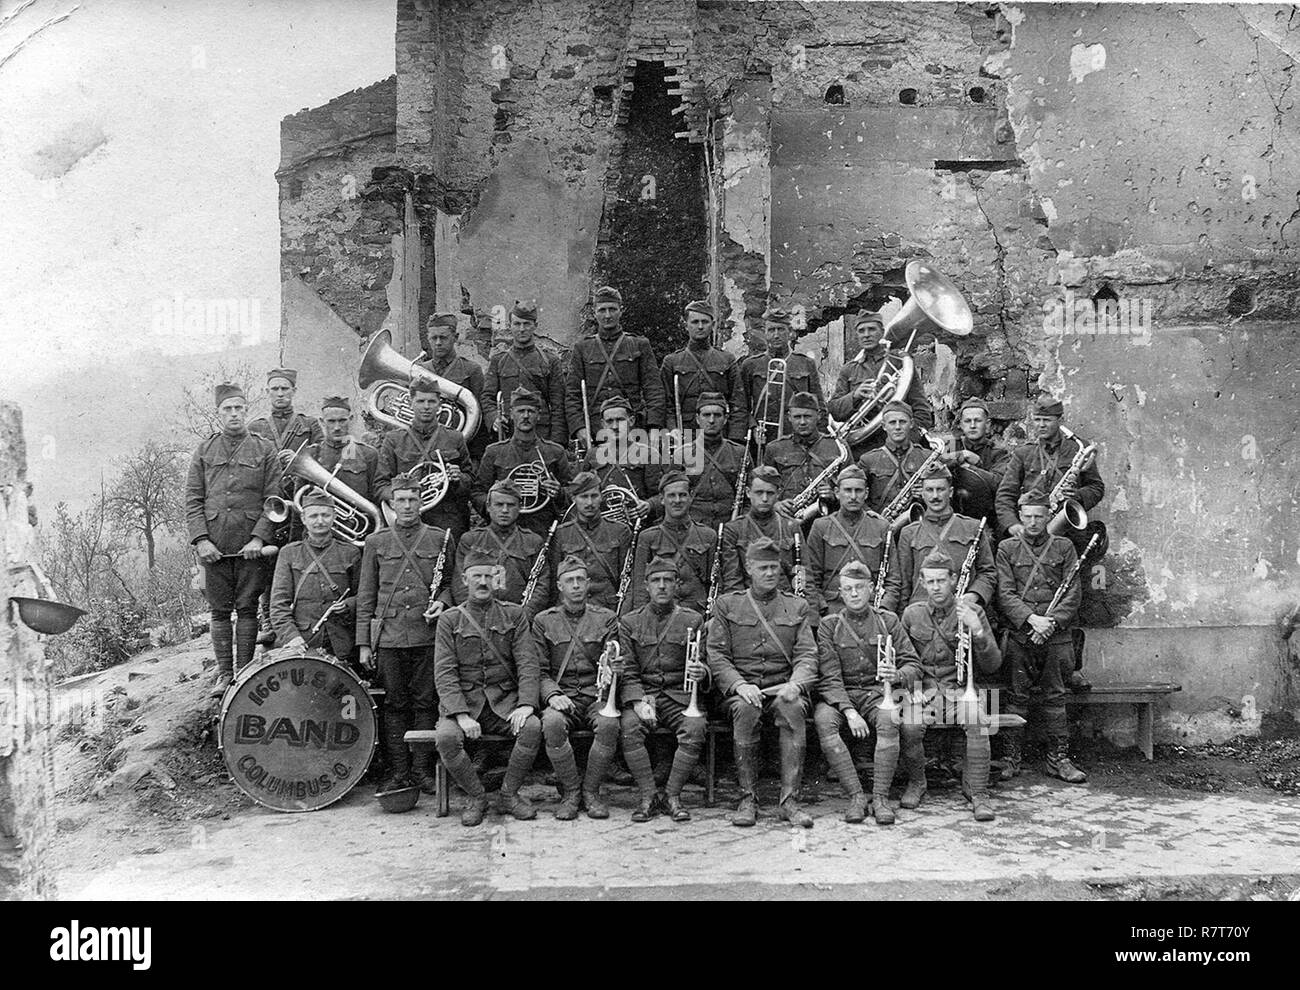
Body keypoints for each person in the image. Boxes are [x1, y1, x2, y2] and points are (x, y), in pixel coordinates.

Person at [705, 537, 819, 828]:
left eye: (774, 567)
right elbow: (717, 655)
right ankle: (748, 798)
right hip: (741, 691)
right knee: (746, 710)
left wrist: (795, 684)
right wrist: (740, 685)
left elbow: (807, 654)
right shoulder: (728, 605)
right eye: (763, 568)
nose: (770, 573)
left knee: (792, 707)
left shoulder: (797, 607)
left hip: (781, 688)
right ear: (749, 568)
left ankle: (789, 800)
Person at [355, 471, 453, 794]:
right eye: (401, 500)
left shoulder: (440, 538)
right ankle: (399, 772)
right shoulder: (376, 542)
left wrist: (442, 601)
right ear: (391, 505)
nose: (408, 506)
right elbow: (367, 595)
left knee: (426, 702)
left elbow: (453, 585)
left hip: (427, 635)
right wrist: (364, 644)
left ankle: (423, 771)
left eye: (413, 499)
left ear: (422, 501)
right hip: (390, 637)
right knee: (395, 704)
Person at [433, 548, 543, 826]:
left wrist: (526, 704)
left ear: (496, 580)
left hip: (504, 703)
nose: (482, 582)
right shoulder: (450, 620)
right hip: (465, 705)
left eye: (488, 576)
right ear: (464, 580)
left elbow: (528, 663)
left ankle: (509, 794)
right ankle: (477, 796)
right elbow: (444, 672)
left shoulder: (514, 615)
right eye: (476, 576)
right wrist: (460, 715)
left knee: (531, 728)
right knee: (446, 738)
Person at [185, 381, 281, 696]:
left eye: (239, 408)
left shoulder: (264, 449)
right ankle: (225, 674)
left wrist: (259, 538)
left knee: (248, 608)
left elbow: (274, 500)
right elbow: (193, 500)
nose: (234, 414)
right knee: (219, 611)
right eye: (228, 409)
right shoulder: (204, 450)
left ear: (246, 410)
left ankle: (245, 673)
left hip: (250, 547)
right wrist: (201, 540)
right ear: (218, 414)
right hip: (215, 546)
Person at [813, 561, 923, 825]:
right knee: (824, 721)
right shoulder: (829, 626)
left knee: (889, 719)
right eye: (848, 589)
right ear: (840, 593)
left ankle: (881, 798)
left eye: (859, 587)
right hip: (842, 697)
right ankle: (856, 797)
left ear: (871, 589)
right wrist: (849, 712)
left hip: (877, 694)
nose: (854, 594)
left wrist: (896, 675)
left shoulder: (888, 621)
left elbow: (914, 665)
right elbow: (829, 677)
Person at [901, 549, 1003, 821]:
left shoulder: (973, 611)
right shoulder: (912, 614)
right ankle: (917, 782)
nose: (936, 587)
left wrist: (977, 630)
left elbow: (993, 663)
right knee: (910, 725)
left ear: (954, 580)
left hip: (960, 692)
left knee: (978, 719)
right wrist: (913, 691)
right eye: (930, 581)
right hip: (924, 693)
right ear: (922, 583)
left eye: (941, 580)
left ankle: (978, 793)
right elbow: (904, 660)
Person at [995, 489, 1087, 783]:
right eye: (1028, 516)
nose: (1034, 522)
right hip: (1021, 633)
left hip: (1056, 635)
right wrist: (1031, 619)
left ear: (1049, 516)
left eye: (1040, 516)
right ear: (1020, 516)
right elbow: (1004, 593)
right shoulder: (1007, 548)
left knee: (1056, 697)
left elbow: (1073, 592)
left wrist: (1051, 623)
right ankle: (1011, 759)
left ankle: (1057, 759)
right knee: (1016, 696)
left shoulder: (1064, 546)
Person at [617, 555, 708, 822]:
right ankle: (648, 796)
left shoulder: (694, 620)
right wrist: (637, 702)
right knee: (630, 727)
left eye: (668, 580)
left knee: (695, 727)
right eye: (656, 581)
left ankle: (672, 795)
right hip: (645, 695)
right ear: (646, 586)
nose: (662, 586)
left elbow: (704, 661)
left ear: (677, 585)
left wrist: (702, 672)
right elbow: (630, 670)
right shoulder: (630, 622)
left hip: (680, 696)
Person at [533, 555, 621, 820]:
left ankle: (591, 792)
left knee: (609, 724)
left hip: (597, 695)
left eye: (580, 580)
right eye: (569, 581)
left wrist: (615, 670)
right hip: (562, 695)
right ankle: (571, 792)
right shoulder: (543, 621)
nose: (575, 586)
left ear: (588, 584)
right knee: (551, 723)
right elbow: (539, 670)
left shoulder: (606, 618)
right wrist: (552, 695)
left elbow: (613, 660)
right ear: (559, 586)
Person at [268, 490, 363, 670]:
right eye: (314, 516)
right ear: (303, 518)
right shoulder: (289, 553)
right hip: (303, 643)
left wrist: (349, 605)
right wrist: (292, 637)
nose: (320, 521)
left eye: (325, 515)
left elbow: (363, 597)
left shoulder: (350, 552)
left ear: (334, 516)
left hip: (343, 642)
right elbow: (278, 605)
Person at [375, 377, 474, 540]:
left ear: (439, 405)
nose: (426, 407)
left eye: (431, 401)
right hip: (408, 519)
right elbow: (380, 485)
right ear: (411, 403)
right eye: (420, 401)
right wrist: (400, 497)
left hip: (447, 519)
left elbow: (470, 482)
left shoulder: (455, 437)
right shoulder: (394, 439)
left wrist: (459, 478)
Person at [994, 394, 1104, 541]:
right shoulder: (1023, 453)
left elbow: (1096, 487)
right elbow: (1005, 495)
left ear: (1060, 420)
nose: (1041, 425)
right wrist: (1012, 524)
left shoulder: (1078, 449)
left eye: (1047, 420)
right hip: (1030, 526)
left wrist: (1078, 495)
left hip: (1067, 532)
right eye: (1037, 420)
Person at [566, 285, 665, 445]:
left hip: (633, 428)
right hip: (596, 429)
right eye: (602, 310)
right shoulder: (582, 348)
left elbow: (653, 389)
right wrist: (579, 428)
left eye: (612, 309)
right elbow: (572, 393)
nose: (607, 315)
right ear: (594, 313)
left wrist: (654, 427)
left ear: (621, 310)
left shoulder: (639, 344)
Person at [827, 312, 932, 458]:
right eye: (861, 331)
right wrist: (855, 396)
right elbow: (834, 411)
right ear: (856, 335)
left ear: (882, 332)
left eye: (872, 329)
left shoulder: (899, 362)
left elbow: (921, 409)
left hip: (901, 445)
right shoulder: (849, 369)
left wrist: (909, 440)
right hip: (862, 448)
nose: (866, 335)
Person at [893, 463, 996, 610]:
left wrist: (973, 595)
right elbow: (903, 583)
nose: (935, 496)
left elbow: (988, 572)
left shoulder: (972, 528)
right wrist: (905, 618)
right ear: (922, 493)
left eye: (940, 489)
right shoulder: (908, 532)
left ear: (951, 492)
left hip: (962, 611)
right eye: (929, 490)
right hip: (921, 615)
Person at [473, 386, 570, 538]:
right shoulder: (494, 452)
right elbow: (478, 492)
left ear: (538, 415)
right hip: (503, 529)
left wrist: (559, 493)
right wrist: (495, 505)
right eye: (520, 411)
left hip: (542, 526)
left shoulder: (555, 452)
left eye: (531, 411)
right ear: (511, 414)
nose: (526, 416)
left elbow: (573, 493)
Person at [805, 465, 899, 615]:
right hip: (832, 609)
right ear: (837, 492)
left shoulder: (881, 526)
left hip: (871, 609)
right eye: (848, 490)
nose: (853, 496)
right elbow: (811, 576)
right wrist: (822, 609)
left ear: (866, 493)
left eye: (858, 491)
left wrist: (883, 610)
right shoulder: (821, 526)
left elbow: (893, 579)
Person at [453, 479, 552, 616]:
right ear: (488, 506)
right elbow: (460, 584)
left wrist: (524, 616)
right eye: (499, 505)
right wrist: (473, 615)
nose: (505, 510)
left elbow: (541, 586)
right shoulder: (470, 540)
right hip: (478, 618)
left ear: (520, 507)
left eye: (510, 505)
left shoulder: (533, 541)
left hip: (518, 618)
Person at [659, 299, 747, 442]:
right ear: (685, 325)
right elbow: (665, 403)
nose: (700, 326)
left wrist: (735, 439)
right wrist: (672, 429)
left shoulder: (726, 360)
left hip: (719, 433)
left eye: (705, 322)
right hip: (684, 434)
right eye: (695, 322)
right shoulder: (672, 361)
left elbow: (738, 402)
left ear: (712, 325)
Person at [739, 307, 825, 452]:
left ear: (790, 333)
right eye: (771, 330)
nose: (776, 335)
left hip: (797, 435)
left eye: (781, 330)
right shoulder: (750, 365)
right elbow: (741, 406)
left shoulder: (805, 363)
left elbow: (819, 405)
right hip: (763, 438)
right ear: (765, 333)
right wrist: (753, 427)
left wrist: (820, 439)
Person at [482, 300, 567, 445]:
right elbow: (487, 397)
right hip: (509, 433)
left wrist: (557, 443)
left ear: (535, 326)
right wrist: (493, 417)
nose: (522, 329)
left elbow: (558, 405)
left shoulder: (549, 360)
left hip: (542, 434)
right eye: (517, 324)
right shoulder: (499, 360)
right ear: (510, 327)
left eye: (527, 324)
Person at [630, 471, 715, 614]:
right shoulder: (648, 537)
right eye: (671, 495)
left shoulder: (708, 536)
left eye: (682, 495)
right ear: (662, 499)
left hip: (698, 615)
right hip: (660, 615)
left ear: (690, 497)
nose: (677, 500)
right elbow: (639, 587)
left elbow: (717, 583)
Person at [551, 471, 633, 611]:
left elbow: (629, 580)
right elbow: (554, 582)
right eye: (583, 497)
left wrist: (622, 615)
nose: (589, 503)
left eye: (594, 496)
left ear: (601, 497)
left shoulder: (620, 531)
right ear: (573, 498)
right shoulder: (561, 534)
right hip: (571, 610)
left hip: (609, 610)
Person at [415, 312, 489, 462]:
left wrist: (474, 458)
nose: (438, 343)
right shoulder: (419, 370)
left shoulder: (471, 370)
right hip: (423, 448)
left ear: (455, 338)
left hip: (458, 451)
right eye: (433, 338)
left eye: (443, 338)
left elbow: (479, 418)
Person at [763, 391, 844, 519]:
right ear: (789, 417)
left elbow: (853, 484)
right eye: (797, 417)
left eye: (807, 416)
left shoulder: (838, 447)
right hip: (787, 518)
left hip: (828, 519)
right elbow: (763, 487)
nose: (802, 422)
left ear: (818, 416)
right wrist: (776, 505)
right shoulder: (774, 448)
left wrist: (834, 495)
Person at [719, 465, 799, 594]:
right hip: (749, 603)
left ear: (778, 493)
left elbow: (804, 573)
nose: (765, 498)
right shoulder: (734, 530)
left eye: (770, 493)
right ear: (748, 492)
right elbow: (732, 580)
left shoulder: (791, 526)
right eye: (759, 492)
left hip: (786, 604)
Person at [579, 394, 658, 523]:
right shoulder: (593, 455)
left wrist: (649, 505)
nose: (615, 426)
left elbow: (662, 494)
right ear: (603, 424)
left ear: (631, 421)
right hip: (602, 526)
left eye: (620, 420)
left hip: (637, 523)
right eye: (609, 421)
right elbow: (580, 493)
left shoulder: (648, 454)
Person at [678, 392, 747, 531]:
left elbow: (750, 496)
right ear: (697, 418)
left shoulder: (740, 453)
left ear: (726, 418)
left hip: (731, 527)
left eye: (717, 415)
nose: (711, 420)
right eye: (706, 415)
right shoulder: (682, 454)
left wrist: (741, 524)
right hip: (693, 528)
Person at [857, 401, 935, 516]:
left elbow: (944, 495)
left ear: (911, 424)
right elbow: (854, 493)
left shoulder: (927, 457)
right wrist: (869, 514)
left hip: (918, 525)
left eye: (902, 422)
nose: (898, 427)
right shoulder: (868, 460)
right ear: (884, 426)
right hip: (880, 523)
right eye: (892, 423)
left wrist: (928, 494)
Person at [941, 397, 1008, 531]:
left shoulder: (998, 452)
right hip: (953, 513)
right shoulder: (951, 444)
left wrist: (975, 465)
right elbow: (939, 469)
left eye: (977, 421)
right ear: (960, 424)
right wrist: (959, 456)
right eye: (967, 421)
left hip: (986, 516)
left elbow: (999, 483)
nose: (972, 425)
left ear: (987, 424)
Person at [306, 395, 380, 505]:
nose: (337, 427)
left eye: (342, 421)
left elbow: (376, 495)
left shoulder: (368, 454)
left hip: (359, 519)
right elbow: (302, 499)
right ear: (322, 422)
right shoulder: (311, 455)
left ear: (351, 420)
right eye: (331, 421)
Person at [248, 367, 323, 465]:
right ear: (267, 392)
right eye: (275, 389)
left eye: (284, 389)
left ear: (294, 391)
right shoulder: (256, 427)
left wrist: (298, 459)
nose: (280, 394)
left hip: (300, 478)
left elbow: (323, 453)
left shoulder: (309, 423)